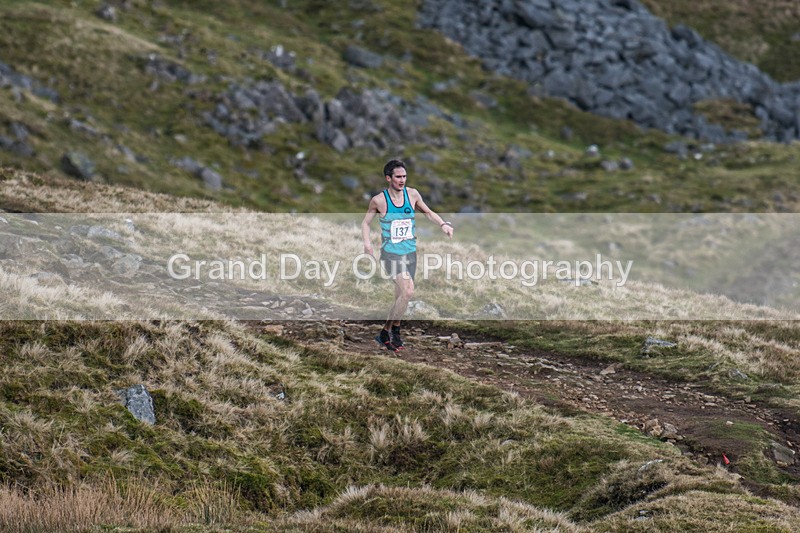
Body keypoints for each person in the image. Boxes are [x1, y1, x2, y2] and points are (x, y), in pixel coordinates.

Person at [361, 159, 454, 352]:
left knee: (401, 297)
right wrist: (367, 244)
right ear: (389, 178)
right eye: (398, 177)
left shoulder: (412, 194)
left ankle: (386, 332)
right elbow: (366, 223)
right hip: (391, 255)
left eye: (404, 176)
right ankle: (394, 330)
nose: (402, 180)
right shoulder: (379, 200)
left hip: (410, 253)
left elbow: (427, 212)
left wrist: (443, 224)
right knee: (408, 291)